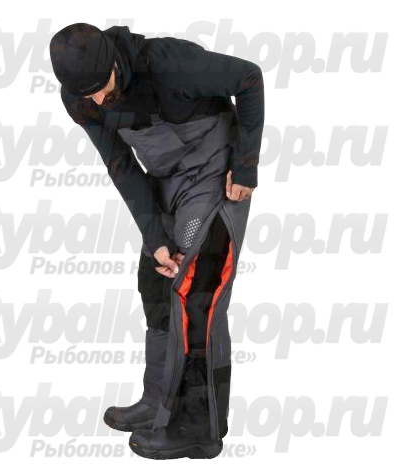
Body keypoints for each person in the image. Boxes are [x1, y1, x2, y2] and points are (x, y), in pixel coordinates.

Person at [50, 23, 264, 459]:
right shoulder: (81, 99)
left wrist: (245, 167)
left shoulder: (168, 64)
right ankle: (159, 402)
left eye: (101, 87)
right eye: (86, 95)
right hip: (166, 180)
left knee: (197, 294)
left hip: (214, 175)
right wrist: (155, 235)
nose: (97, 101)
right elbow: (121, 166)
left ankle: (198, 427)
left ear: (115, 62)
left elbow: (249, 77)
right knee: (156, 283)